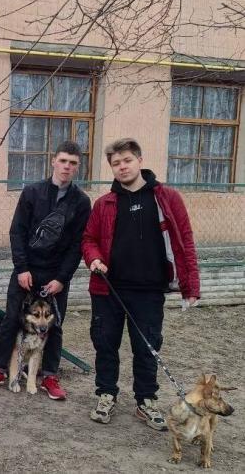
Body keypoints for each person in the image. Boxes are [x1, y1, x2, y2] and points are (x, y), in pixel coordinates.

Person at [82, 138, 199, 430]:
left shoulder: (167, 198)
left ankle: (145, 401)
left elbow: (185, 241)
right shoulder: (104, 203)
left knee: (147, 348)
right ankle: (106, 394)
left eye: (127, 160)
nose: (122, 167)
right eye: (116, 163)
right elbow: (89, 239)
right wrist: (94, 259)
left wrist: (191, 286)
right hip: (108, 289)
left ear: (140, 160)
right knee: (105, 344)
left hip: (149, 291)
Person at [0, 141, 91, 400]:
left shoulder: (81, 202)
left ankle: (49, 375)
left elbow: (78, 244)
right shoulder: (32, 192)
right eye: (63, 161)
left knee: (55, 325)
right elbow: (17, 231)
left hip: (56, 275)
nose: (67, 166)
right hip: (27, 271)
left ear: (77, 167)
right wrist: (21, 268)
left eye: (73, 163)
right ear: (53, 161)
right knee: (10, 320)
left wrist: (62, 278)